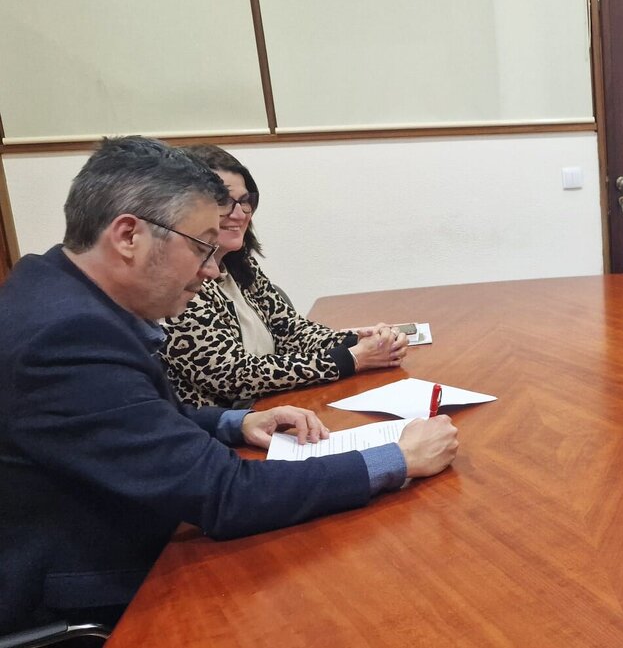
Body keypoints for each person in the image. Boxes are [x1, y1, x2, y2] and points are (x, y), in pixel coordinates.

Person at [0, 137, 459, 633]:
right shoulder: (67, 338)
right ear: (129, 235)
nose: (213, 268)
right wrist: (399, 459)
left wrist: (236, 422)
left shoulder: (51, 287)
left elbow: (132, 417)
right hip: (101, 589)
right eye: (202, 246)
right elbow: (227, 496)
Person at [159, 145, 407, 408]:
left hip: (275, 405)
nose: (239, 214)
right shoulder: (180, 281)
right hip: (227, 423)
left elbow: (291, 331)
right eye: (223, 202)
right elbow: (232, 375)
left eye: (245, 201)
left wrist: (362, 342)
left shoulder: (239, 264)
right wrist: (351, 358)